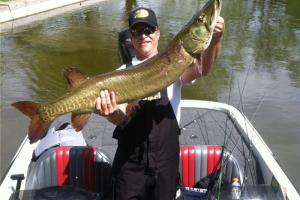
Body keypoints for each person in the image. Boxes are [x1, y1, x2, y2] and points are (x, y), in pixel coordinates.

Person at [96, 7, 225, 200]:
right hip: (130, 164)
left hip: (166, 163)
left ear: (157, 33)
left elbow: (202, 69)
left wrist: (216, 39)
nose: (143, 36)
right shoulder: (120, 73)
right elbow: (119, 117)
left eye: (148, 30)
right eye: (137, 31)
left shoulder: (176, 62)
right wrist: (110, 113)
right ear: (131, 38)